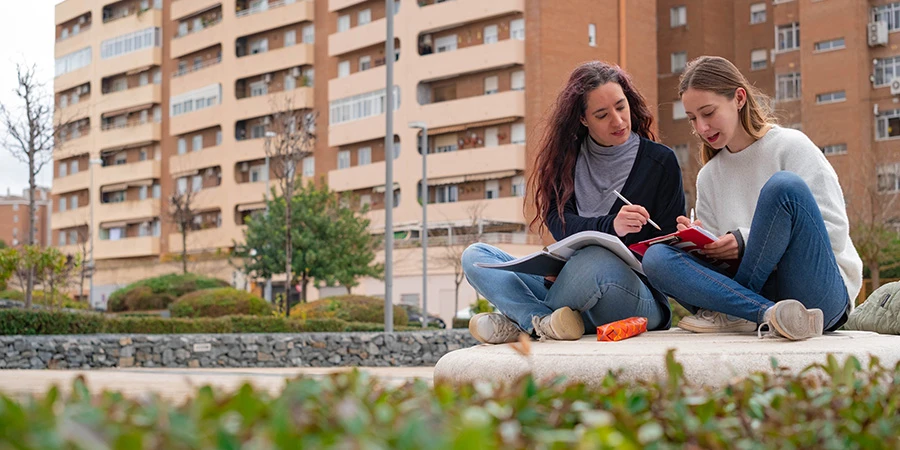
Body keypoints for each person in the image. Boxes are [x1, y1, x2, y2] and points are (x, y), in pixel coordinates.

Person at [461, 61, 686, 344]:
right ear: (583, 119)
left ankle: (522, 323)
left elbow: (667, 246)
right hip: (570, 285)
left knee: (593, 261)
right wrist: (611, 225)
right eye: (602, 115)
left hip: (636, 296)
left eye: (621, 106)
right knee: (476, 256)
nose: (617, 121)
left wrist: (683, 234)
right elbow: (560, 224)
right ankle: (541, 322)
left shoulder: (660, 162)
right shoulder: (566, 161)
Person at [642, 56, 863, 340]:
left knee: (783, 188)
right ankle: (763, 313)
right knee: (657, 257)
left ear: (738, 98)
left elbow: (832, 232)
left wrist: (745, 241)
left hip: (816, 295)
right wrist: (699, 243)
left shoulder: (790, 146)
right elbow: (720, 266)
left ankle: (737, 313)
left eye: (708, 113)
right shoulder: (709, 176)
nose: (702, 128)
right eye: (693, 119)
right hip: (760, 301)